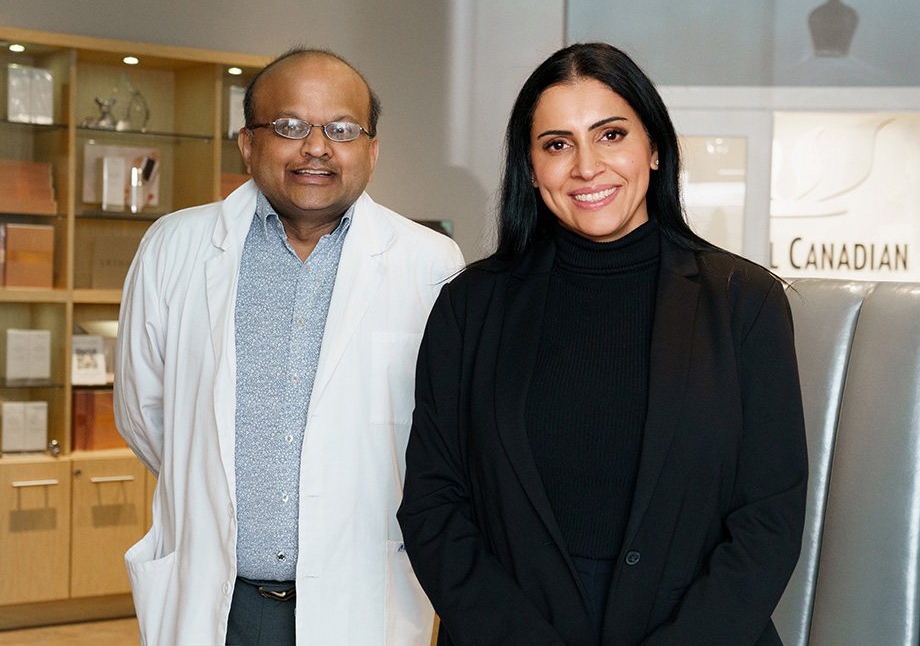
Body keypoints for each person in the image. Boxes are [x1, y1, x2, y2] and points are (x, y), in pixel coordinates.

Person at [397, 42, 808, 646]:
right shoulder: (470, 306)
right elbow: (433, 507)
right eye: (557, 144)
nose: (586, 166)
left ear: (656, 149)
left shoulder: (746, 301)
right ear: (531, 168)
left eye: (610, 135)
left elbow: (769, 517)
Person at [114, 48, 464, 646]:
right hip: (216, 601)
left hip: (362, 594)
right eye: (289, 127)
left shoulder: (431, 265)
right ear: (248, 144)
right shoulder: (174, 246)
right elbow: (145, 414)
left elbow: (442, 436)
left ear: (372, 150)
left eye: (342, 129)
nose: (316, 147)